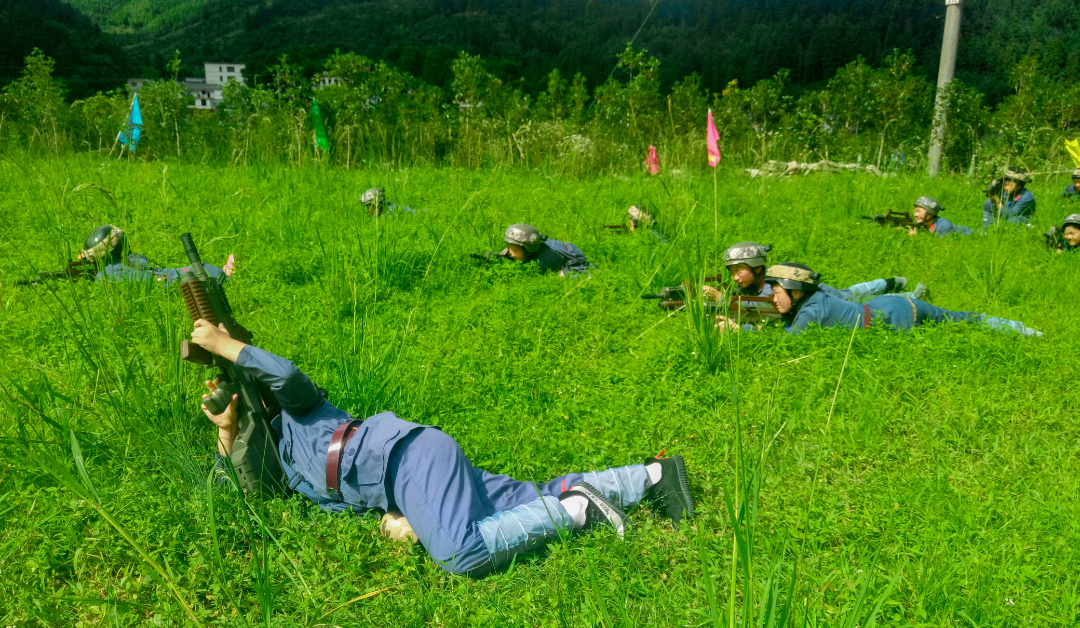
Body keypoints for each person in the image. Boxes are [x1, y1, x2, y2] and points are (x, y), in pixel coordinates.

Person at [189, 319, 695, 576]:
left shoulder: (300, 409)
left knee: (460, 553)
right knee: (519, 500)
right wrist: (227, 430)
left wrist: (224, 345)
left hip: (409, 458)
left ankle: (579, 508)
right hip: (409, 483)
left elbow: (284, 374)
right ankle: (652, 477)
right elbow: (242, 488)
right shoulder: (281, 463)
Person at [714, 262, 1040, 337]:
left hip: (899, 316)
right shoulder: (812, 299)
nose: (773, 298)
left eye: (776, 292)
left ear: (795, 292)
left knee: (960, 321)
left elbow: (788, 344)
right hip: (887, 306)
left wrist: (740, 331)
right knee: (959, 317)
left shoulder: (811, 311)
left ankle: (1021, 330)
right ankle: (1016, 327)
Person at [714, 241, 926, 302]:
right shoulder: (753, 284)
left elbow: (759, 306)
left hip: (823, 295)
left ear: (758, 267)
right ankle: (888, 283)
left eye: (739, 270)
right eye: (731, 271)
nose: (734, 277)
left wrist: (722, 300)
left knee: (853, 298)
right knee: (850, 292)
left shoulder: (772, 286)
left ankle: (910, 296)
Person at [80, 225, 227, 284]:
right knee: (199, 269)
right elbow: (161, 282)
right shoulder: (114, 273)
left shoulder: (126, 262)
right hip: (178, 277)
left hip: (171, 273)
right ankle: (227, 275)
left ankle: (225, 273)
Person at [501, 223, 594, 276]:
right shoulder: (533, 245)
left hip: (574, 263)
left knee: (565, 276)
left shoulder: (542, 260)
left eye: (515, 250)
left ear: (528, 249)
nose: (510, 252)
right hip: (567, 251)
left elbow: (528, 276)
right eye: (509, 247)